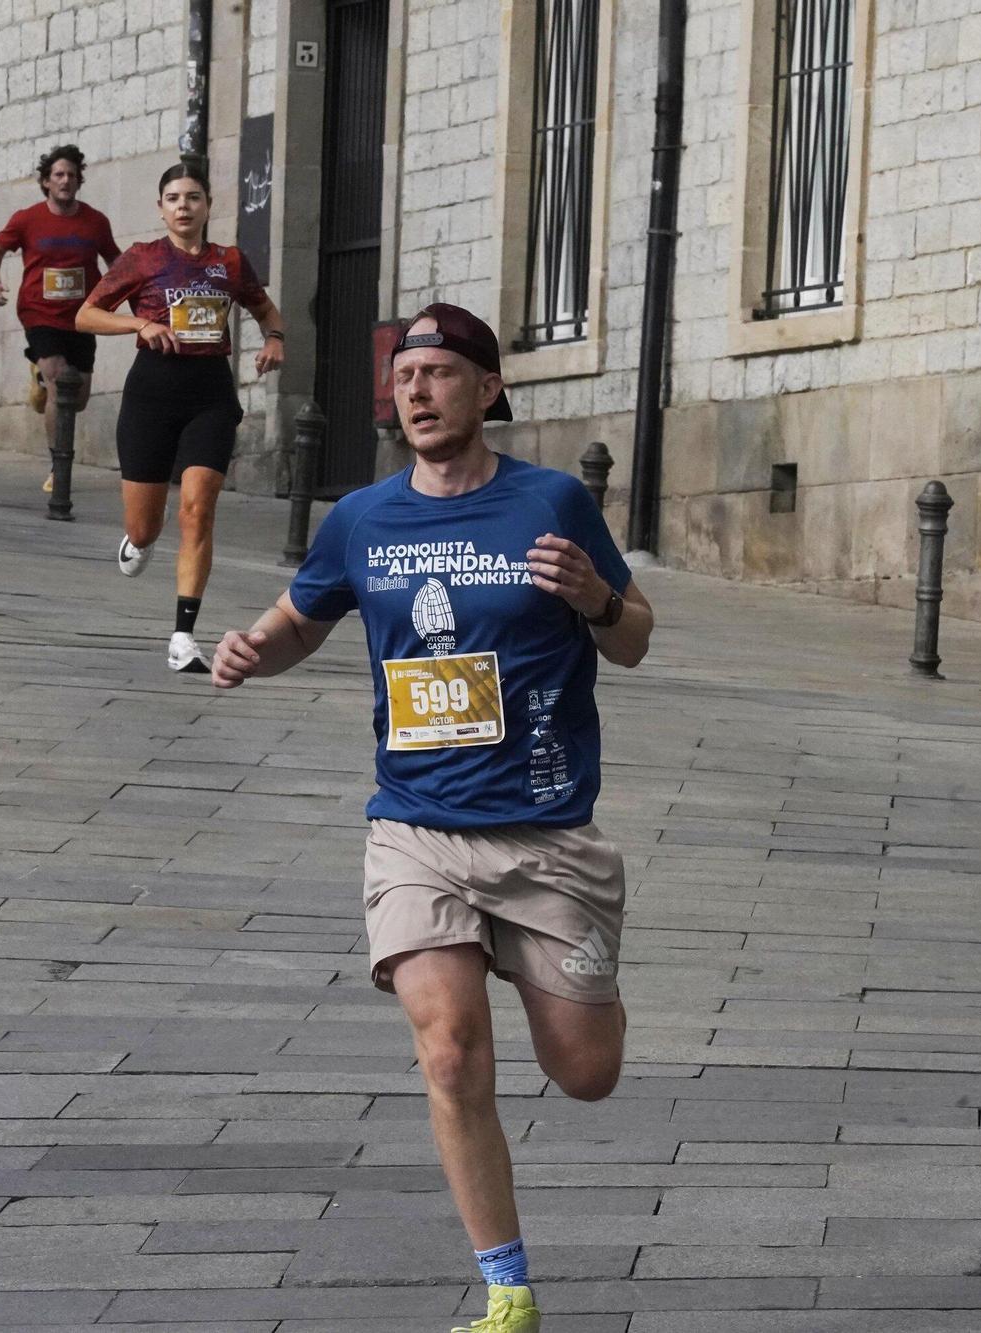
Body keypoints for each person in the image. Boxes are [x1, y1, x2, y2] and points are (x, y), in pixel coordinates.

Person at [210, 303, 653, 1331]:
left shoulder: (547, 501)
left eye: (439, 372)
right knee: (449, 1050)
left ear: (487, 390)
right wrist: (248, 650)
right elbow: (295, 623)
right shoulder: (362, 518)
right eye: (403, 375)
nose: (414, 390)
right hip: (415, 828)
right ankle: (507, 1287)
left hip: (545, 838)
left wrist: (592, 595)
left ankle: (552, 965)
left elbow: (631, 638)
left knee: (584, 1074)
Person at [77, 163, 285, 673]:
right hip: (152, 394)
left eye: (193, 197)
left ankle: (182, 637)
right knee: (145, 526)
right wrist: (140, 323)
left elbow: (266, 311)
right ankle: (141, 537)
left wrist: (275, 341)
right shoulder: (143, 259)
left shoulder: (229, 262)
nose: (183, 206)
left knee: (199, 510)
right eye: (173, 198)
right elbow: (85, 314)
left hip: (210, 394)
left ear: (208, 206)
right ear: (161, 208)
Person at [0, 144, 119, 493]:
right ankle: (59, 465)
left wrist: (131, 296)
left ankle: (39, 377)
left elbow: (115, 262)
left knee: (81, 397)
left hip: (81, 317)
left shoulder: (95, 222)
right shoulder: (27, 220)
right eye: (58, 175)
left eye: (72, 175)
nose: (65, 181)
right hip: (39, 312)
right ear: (46, 182)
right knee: (61, 383)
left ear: (78, 181)